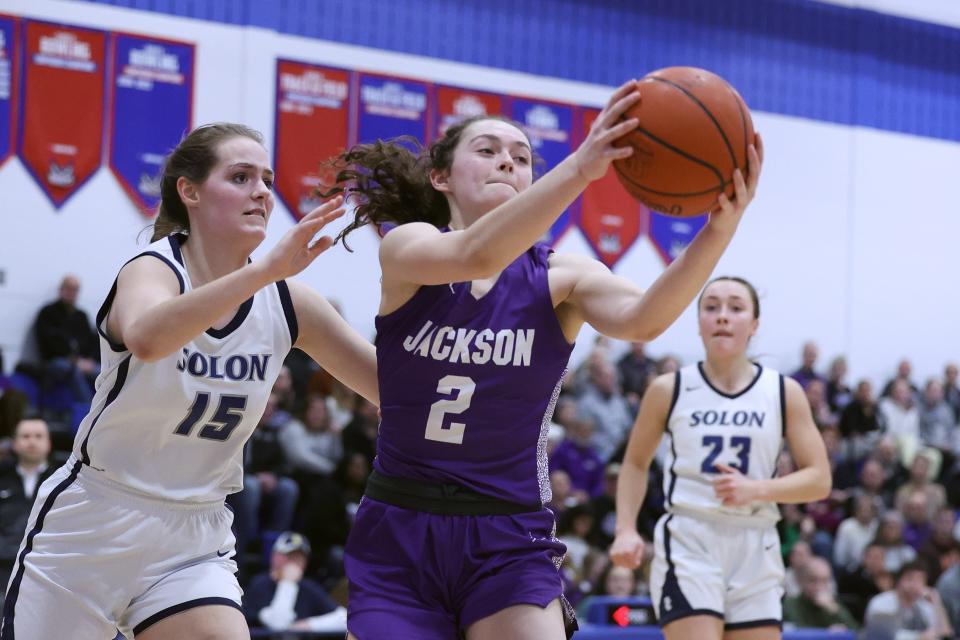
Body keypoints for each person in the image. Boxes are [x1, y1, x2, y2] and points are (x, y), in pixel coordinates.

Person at [329, 79, 762, 640]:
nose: (507, 162)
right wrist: (583, 166)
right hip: (401, 525)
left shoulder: (561, 277)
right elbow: (476, 252)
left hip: (507, 529)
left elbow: (645, 319)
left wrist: (719, 229)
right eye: (486, 150)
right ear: (440, 178)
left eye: (522, 157)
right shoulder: (409, 248)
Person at [1, 123, 378, 640]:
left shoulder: (290, 302)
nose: (262, 191)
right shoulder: (152, 270)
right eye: (241, 177)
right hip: (95, 519)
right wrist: (263, 271)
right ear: (190, 190)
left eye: (267, 180)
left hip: (194, 535)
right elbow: (149, 338)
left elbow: (391, 391)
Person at [610, 276, 831, 640]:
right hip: (690, 539)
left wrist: (757, 489)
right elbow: (635, 463)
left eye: (735, 308)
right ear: (699, 323)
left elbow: (819, 479)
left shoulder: (782, 391)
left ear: (754, 325)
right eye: (711, 308)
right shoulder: (669, 388)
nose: (722, 317)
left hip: (756, 542)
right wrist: (626, 530)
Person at [241, 531, 343, 633]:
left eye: (300, 558)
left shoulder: (308, 588)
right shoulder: (260, 585)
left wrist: (309, 625)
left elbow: (344, 619)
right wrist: (287, 583)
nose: (294, 562)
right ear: (274, 557)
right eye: (289, 556)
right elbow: (278, 625)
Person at [0, 419, 54, 608]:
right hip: (4, 566)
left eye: (38, 436)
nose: (32, 441)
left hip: (49, 567)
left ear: (49, 443)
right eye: (26, 436)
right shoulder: (2, 477)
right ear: (14, 443)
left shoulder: (64, 481)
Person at [32, 274, 100, 404]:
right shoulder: (48, 313)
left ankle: (108, 409)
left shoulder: (81, 316)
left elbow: (92, 342)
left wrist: (90, 360)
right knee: (72, 371)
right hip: (55, 361)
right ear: (61, 290)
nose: (72, 292)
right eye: (68, 288)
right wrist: (74, 361)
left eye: (75, 289)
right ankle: (87, 409)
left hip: (81, 361)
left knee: (102, 371)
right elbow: (48, 343)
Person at [863, 560, 953, 640]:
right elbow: (885, 635)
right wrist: (919, 637)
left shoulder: (924, 606)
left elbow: (945, 633)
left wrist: (936, 600)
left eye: (920, 580)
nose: (915, 584)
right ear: (899, 580)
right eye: (910, 579)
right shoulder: (881, 602)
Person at [782, 556, 858, 631]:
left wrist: (836, 611)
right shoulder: (789, 605)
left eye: (824, 581)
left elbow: (856, 632)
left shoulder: (833, 606)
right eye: (813, 580)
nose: (819, 587)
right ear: (801, 580)